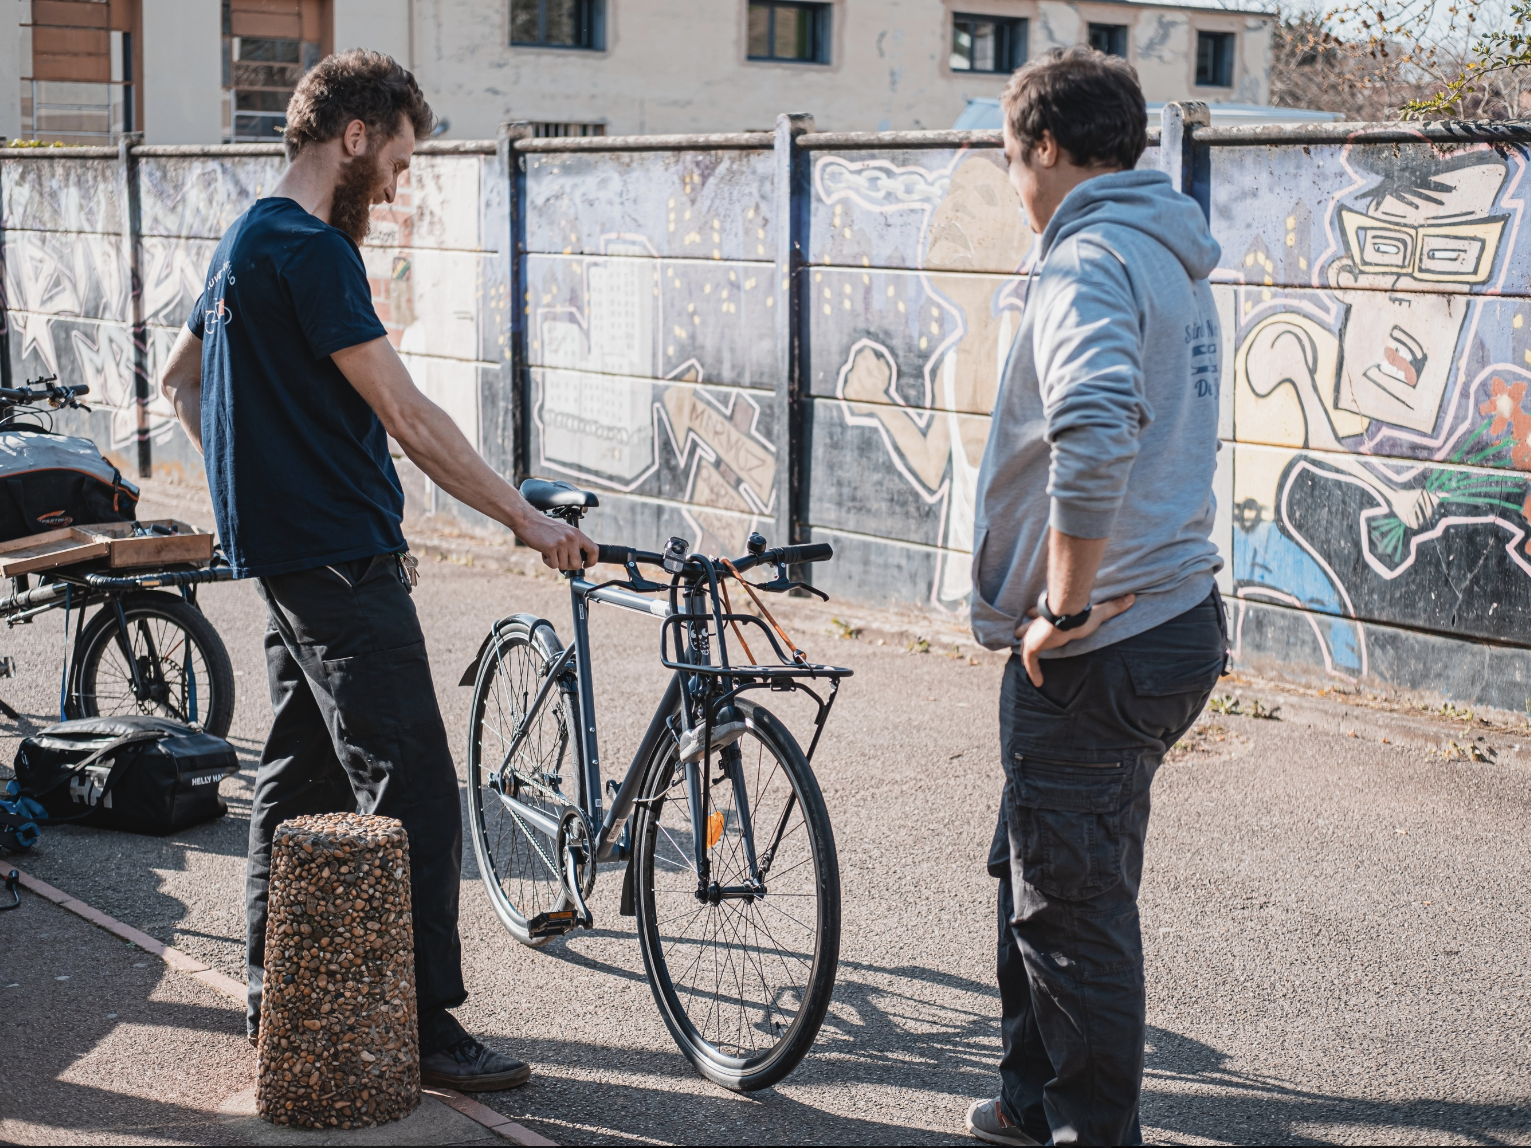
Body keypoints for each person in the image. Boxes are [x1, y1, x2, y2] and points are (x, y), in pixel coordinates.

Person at [159, 50, 597, 1091]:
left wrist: (248, 491)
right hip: (343, 563)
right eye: (396, 161)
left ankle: (277, 993)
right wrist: (528, 521)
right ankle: (427, 1027)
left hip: (286, 559)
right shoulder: (309, 251)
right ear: (353, 137)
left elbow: (179, 381)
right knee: (414, 790)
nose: (399, 186)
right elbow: (408, 417)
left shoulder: (240, 242)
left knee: (295, 779)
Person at [964, 48, 1228, 1145]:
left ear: (1052, 150)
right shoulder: (1165, 252)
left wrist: (1063, 607)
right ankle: (1031, 1102)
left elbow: (1095, 424)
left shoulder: (1085, 262)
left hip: (1101, 642)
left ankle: (1084, 1130)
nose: (1012, 183)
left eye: (1011, 159)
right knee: (1041, 874)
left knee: (1072, 912)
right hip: (1172, 620)